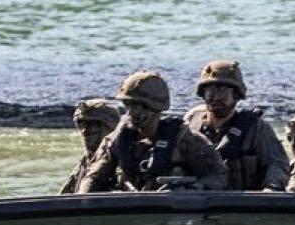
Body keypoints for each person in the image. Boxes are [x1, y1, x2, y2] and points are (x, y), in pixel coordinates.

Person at [77, 71, 227, 192]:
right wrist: (83, 201)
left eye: (141, 106)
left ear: (156, 108)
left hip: (174, 215)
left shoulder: (185, 139)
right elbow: (94, 177)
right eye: (130, 105)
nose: (134, 112)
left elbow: (219, 176)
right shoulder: (117, 139)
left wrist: (192, 190)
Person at [183, 59, 289, 191]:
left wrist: (272, 187)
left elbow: (277, 163)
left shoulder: (256, 129)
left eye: (223, 92)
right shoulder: (191, 126)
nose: (216, 98)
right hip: (199, 200)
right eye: (210, 91)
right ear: (203, 94)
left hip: (242, 203)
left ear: (236, 95)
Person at [59, 97, 122, 193]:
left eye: (93, 124)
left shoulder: (123, 160)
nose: (85, 130)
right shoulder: (85, 163)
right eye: (81, 124)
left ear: (111, 127)